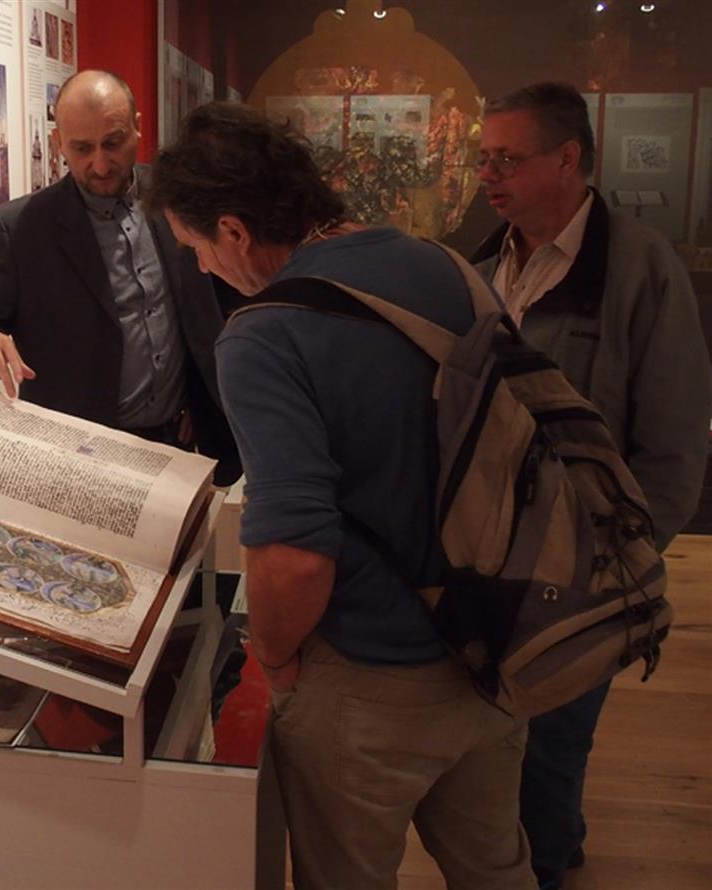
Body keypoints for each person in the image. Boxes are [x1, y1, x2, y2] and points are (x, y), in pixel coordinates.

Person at [147, 101, 537, 890]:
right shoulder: (442, 265)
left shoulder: (262, 335)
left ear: (234, 231)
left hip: (370, 677)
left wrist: (277, 660)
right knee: (498, 870)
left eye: (195, 248)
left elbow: (294, 556)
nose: (202, 269)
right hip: (495, 646)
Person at [471, 81, 712, 890]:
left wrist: (620, 563)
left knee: (555, 738)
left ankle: (542, 865)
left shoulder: (641, 268)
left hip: (586, 568)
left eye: (507, 159)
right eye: (483, 158)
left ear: (567, 159)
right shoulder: (482, 265)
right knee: (507, 738)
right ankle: (557, 839)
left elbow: (674, 442)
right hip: (490, 557)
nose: (487, 176)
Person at [0, 69, 239, 483]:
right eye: (82, 148)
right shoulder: (21, 227)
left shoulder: (176, 197)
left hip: (177, 445)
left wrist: (195, 394)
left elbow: (209, 300)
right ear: (58, 143)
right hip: (77, 456)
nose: (100, 164)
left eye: (113, 143)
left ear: (136, 127)